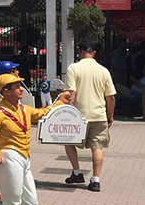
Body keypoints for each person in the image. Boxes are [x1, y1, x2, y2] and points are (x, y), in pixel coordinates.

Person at [0, 74, 70, 205]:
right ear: (6, 91)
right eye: (17, 87)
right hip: (10, 156)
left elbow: (42, 113)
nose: (21, 89)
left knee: (31, 200)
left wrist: (60, 101)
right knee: (13, 200)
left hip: (25, 157)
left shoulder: (24, 109)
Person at [62, 42, 116, 192]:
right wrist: (110, 116)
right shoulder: (104, 71)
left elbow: (70, 94)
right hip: (99, 115)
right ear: (94, 53)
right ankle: (96, 180)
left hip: (78, 115)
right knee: (97, 147)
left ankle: (77, 172)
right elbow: (110, 97)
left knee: (68, 141)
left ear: (80, 52)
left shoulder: (73, 68)